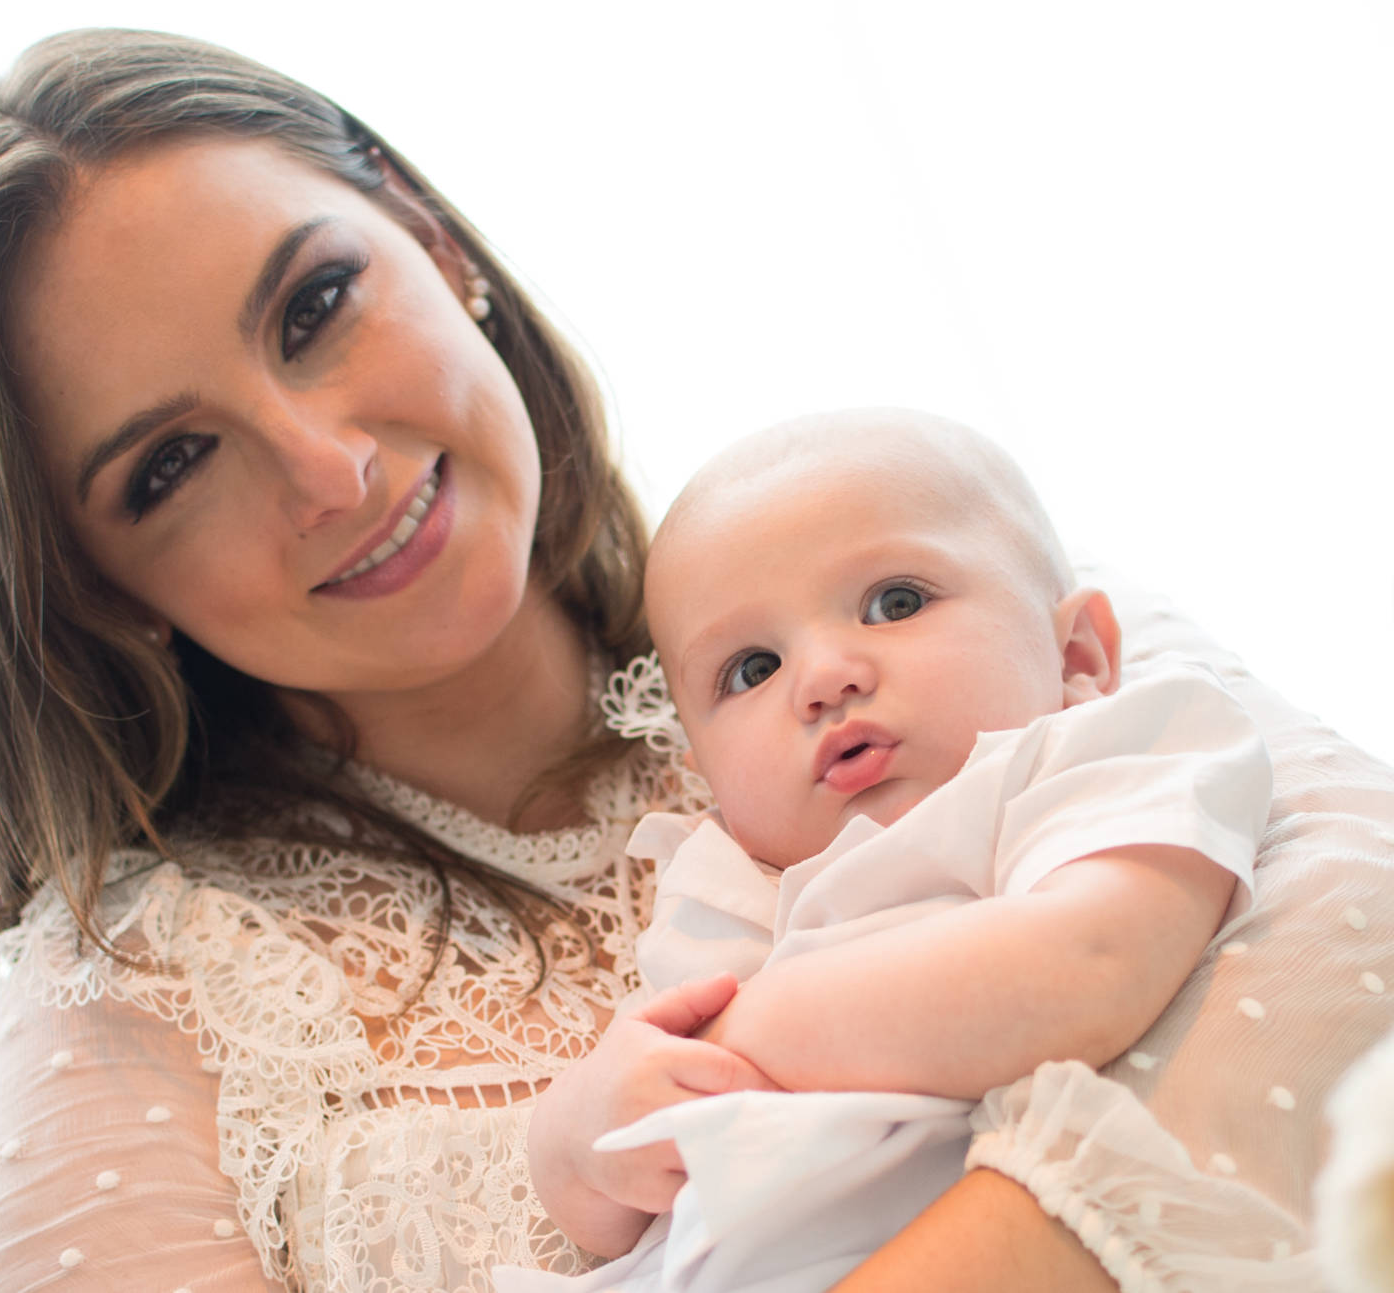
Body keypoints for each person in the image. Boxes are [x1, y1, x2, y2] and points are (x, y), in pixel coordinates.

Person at [0, 28, 1394, 1293]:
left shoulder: (945, 599)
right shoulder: (133, 1005)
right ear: (93, 587)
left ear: (434, 240)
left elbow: (1361, 950)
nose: (328, 469)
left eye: (315, 306)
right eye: (172, 463)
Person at [511, 410, 1274, 1292]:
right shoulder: (734, 885)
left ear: (1077, 656)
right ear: (703, 774)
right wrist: (575, 1142)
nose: (823, 678)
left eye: (896, 603)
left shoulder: (1103, 755)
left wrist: (751, 1032)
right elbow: (626, 1202)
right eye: (753, 668)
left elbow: (1089, 964)